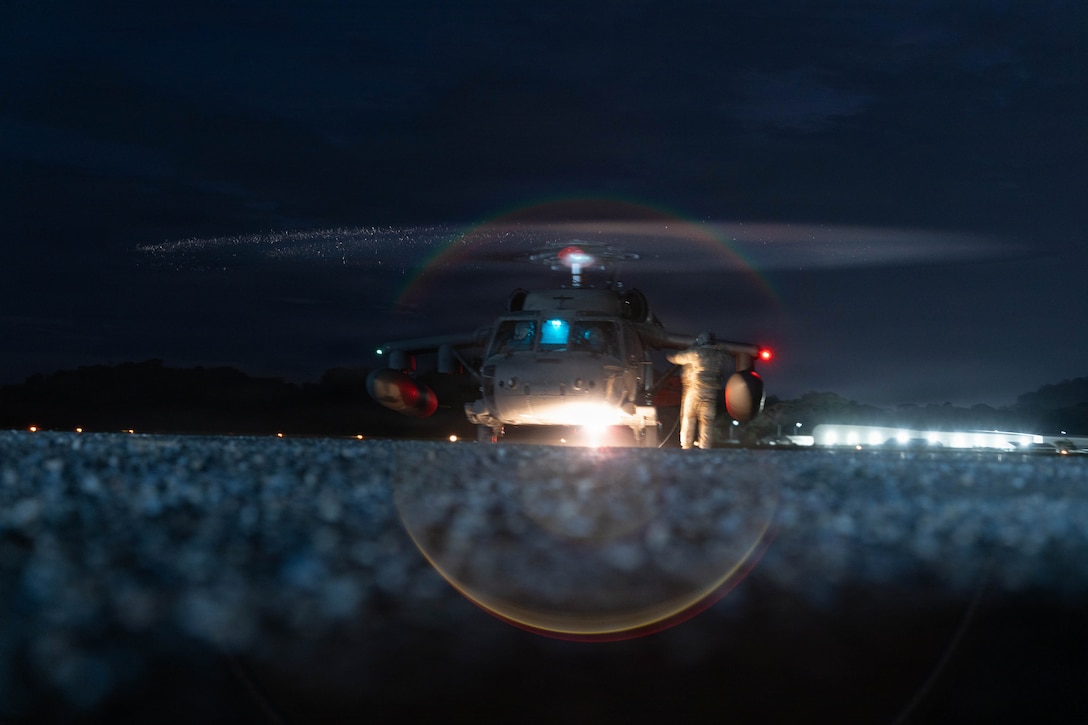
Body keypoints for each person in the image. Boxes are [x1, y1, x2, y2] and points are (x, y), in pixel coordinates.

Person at [666, 332, 727, 449]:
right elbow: (726, 356)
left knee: (689, 417)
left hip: (695, 391)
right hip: (711, 393)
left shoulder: (695, 353)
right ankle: (705, 447)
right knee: (707, 421)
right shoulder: (718, 355)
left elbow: (676, 358)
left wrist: (690, 347)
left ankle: (686, 446)